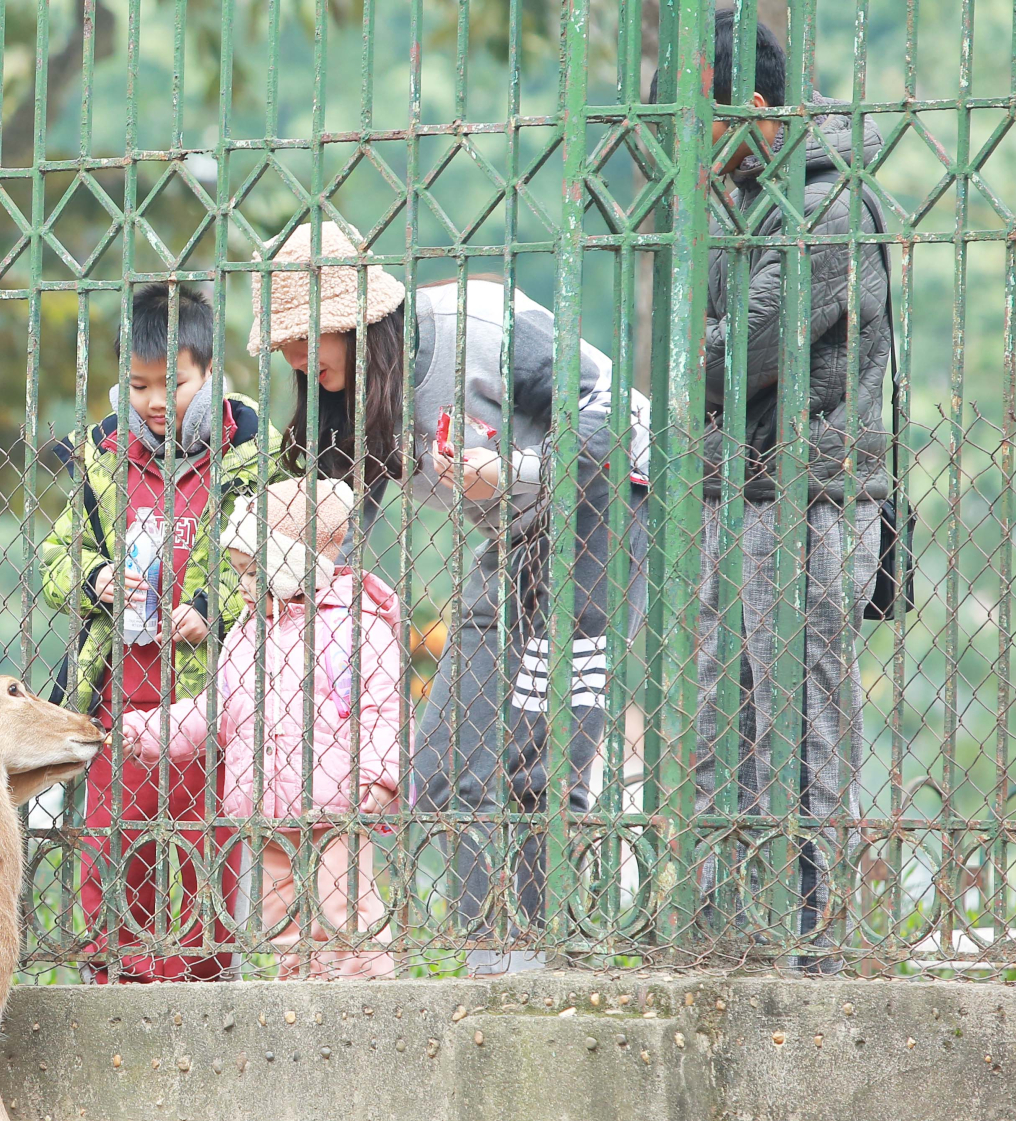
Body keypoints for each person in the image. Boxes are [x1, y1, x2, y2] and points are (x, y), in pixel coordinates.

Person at [248, 222, 652, 976]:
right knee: (435, 771)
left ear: (357, 321)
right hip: (514, 542)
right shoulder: (353, 396)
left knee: (534, 767)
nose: (294, 356)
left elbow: (615, 406)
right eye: (285, 343)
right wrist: (283, 572)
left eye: (308, 336)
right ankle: (488, 950)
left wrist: (517, 468)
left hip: (605, 513)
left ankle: (521, 964)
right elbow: (337, 517)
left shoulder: (479, 329)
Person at [660, 10, 889, 962]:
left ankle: (812, 941)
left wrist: (709, 355)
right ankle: (725, 929)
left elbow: (740, 351)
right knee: (726, 717)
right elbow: (701, 340)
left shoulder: (827, 203)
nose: (689, 145)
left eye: (700, 122)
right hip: (736, 488)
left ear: (752, 109)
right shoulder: (745, 195)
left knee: (802, 724)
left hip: (814, 498)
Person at [39, 281, 269, 982]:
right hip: (122, 695)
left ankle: (201, 978)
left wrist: (212, 605)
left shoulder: (249, 456)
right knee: (115, 844)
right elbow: (57, 556)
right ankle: (117, 976)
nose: (155, 401)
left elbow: (269, 547)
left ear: (209, 373)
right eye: (138, 385)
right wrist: (97, 577)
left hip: (211, 700)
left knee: (208, 844)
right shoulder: (103, 459)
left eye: (174, 382)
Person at [120, 478, 402, 979]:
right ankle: (298, 984)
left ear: (295, 566)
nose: (244, 588)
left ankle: (365, 989)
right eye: (240, 574)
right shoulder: (248, 635)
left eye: (255, 574)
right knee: (281, 915)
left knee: (345, 906)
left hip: (338, 804)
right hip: (267, 807)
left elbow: (383, 707)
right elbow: (218, 710)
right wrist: (149, 732)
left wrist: (381, 779)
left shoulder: (356, 626)